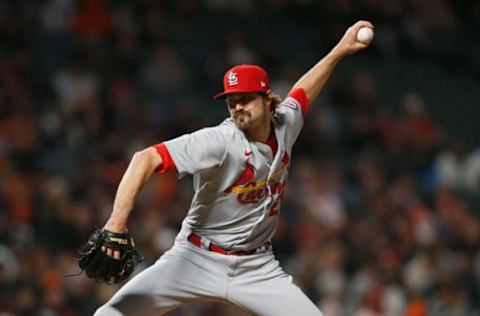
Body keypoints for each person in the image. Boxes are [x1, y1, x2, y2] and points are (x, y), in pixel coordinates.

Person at [94, 20, 374, 316]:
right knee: (111, 314)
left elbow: (302, 93)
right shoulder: (218, 141)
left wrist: (340, 50)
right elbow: (144, 158)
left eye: (246, 99)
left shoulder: (285, 124)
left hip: (257, 267)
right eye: (232, 102)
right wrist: (116, 222)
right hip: (195, 257)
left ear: (267, 100)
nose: (238, 106)